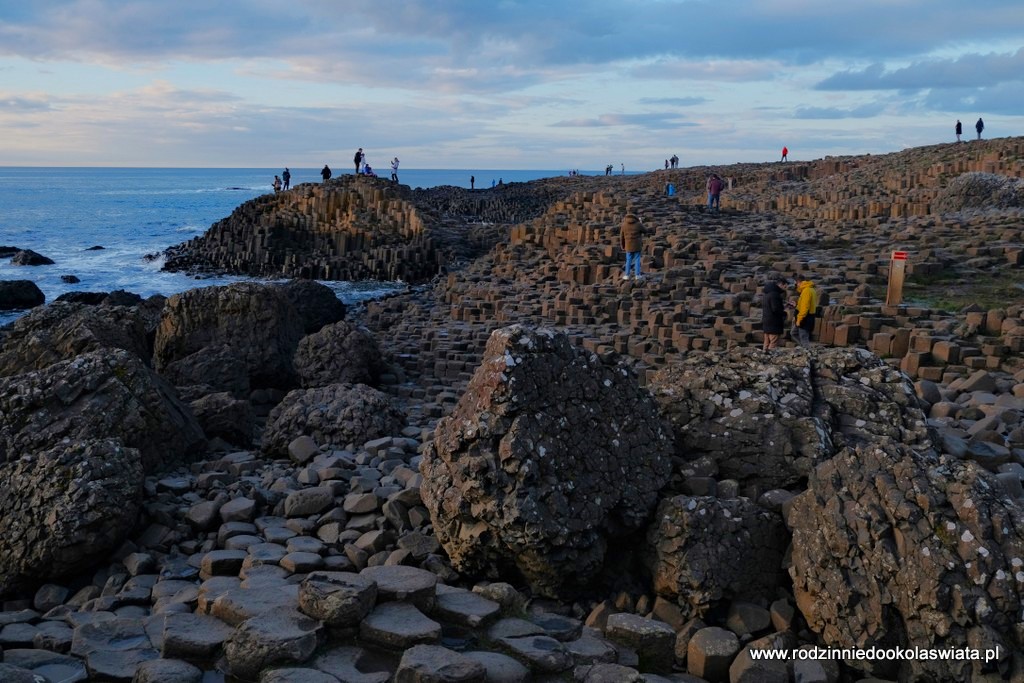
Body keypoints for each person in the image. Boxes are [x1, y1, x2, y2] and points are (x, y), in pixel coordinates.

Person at [761, 276, 788, 350]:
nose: (786, 288)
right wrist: (784, 313)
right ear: (781, 284)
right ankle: (769, 359)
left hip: (766, 321)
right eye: (785, 285)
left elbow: (771, 307)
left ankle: (762, 358)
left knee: (766, 342)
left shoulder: (767, 293)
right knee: (773, 342)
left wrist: (785, 306)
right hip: (774, 323)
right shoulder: (775, 294)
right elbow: (775, 309)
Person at [792, 277, 818, 348]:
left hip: (805, 318)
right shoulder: (810, 289)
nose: (796, 285)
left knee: (803, 337)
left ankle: (807, 350)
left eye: (796, 283)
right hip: (808, 316)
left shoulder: (806, 291)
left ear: (799, 282)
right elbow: (805, 305)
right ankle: (804, 348)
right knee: (794, 333)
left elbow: (805, 308)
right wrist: (796, 305)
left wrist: (799, 320)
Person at [620, 213, 644, 281]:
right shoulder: (638, 224)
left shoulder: (624, 225)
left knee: (628, 260)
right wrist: (640, 223)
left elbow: (621, 237)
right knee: (637, 259)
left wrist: (622, 245)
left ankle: (627, 275)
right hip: (637, 246)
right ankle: (637, 275)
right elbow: (645, 230)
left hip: (628, 246)